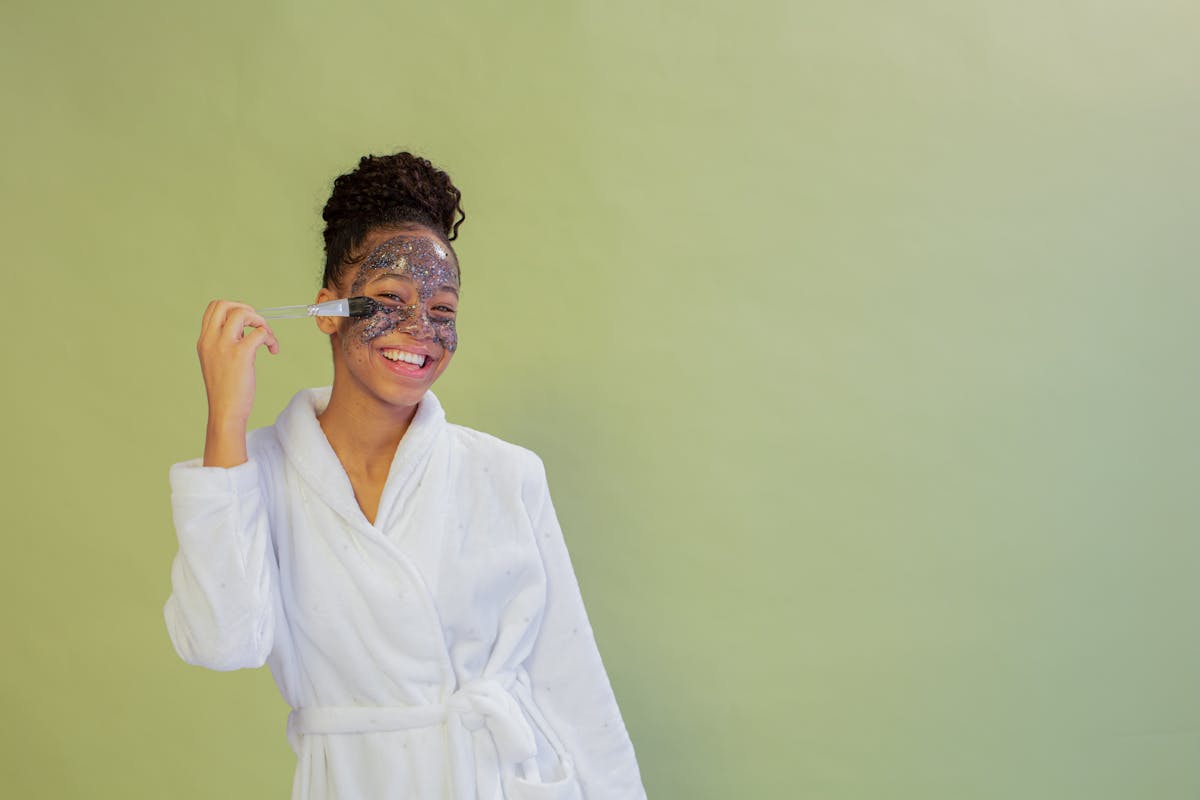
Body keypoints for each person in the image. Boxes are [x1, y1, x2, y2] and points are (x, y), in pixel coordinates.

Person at [164, 152, 646, 800]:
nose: (420, 329)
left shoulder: (504, 474)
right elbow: (224, 642)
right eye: (390, 300)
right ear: (328, 311)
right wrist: (227, 417)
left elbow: (574, 683)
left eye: (443, 309)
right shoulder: (257, 475)